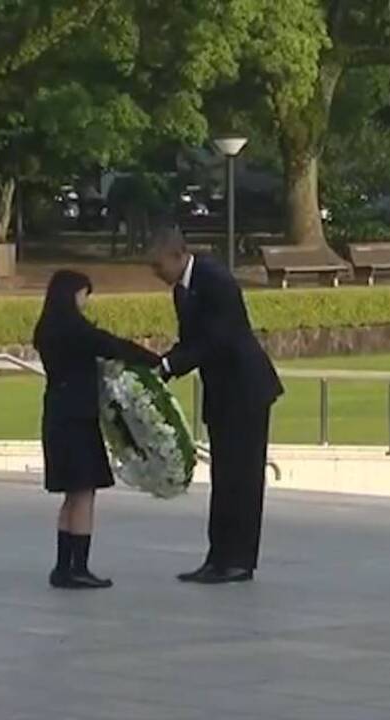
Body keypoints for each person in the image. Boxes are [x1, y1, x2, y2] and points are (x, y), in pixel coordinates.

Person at [149, 226, 283, 584]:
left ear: (178, 256)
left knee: (243, 477)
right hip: (223, 392)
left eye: (158, 264)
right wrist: (162, 364)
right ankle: (219, 555)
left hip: (245, 390)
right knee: (224, 476)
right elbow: (191, 341)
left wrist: (168, 366)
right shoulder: (183, 289)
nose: (156, 273)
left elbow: (217, 340)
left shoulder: (215, 280)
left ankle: (239, 559)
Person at [33, 270, 159, 590]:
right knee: (84, 492)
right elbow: (110, 344)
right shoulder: (75, 328)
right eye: (84, 295)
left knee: (70, 495)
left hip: (57, 413)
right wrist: (154, 360)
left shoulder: (46, 328)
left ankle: (63, 566)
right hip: (78, 416)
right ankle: (79, 566)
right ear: (74, 293)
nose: (85, 302)